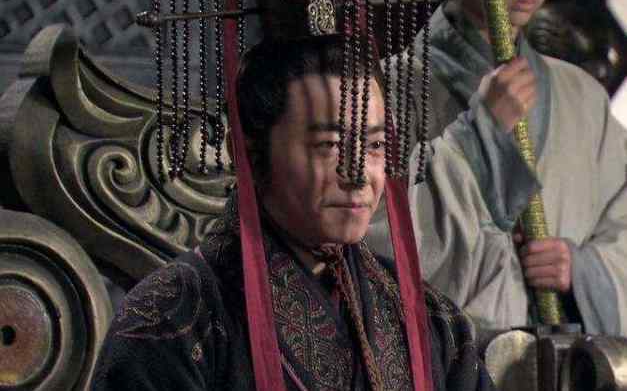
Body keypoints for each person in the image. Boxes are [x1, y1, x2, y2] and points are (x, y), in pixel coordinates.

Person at [91, 36, 494, 390]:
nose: (359, 175)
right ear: (248, 153)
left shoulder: (428, 318)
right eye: (329, 146)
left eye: (374, 146)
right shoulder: (169, 320)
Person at [390, 0, 627, 334]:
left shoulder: (583, 96)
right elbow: (386, 241)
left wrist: (582, 270)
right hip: (457, 352)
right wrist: (479, 135)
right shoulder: (389, 91)